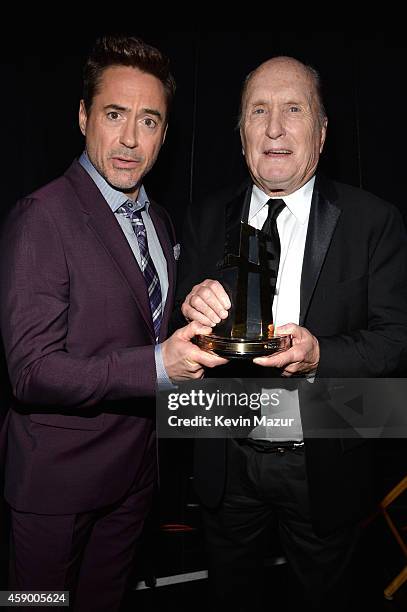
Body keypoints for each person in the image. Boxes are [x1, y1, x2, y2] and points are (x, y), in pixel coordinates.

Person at [0, 35, 225, 611]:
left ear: (165, 133)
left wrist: (187, 307)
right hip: (56, 483)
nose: (130, 139)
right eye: (114, 115)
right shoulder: (41, 216)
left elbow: (136, 319)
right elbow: (32, 372)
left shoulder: (160, 220)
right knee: (36, 604)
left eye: (148, 121)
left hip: (135, 479)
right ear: (83, 117)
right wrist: (158, 366)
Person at [176, 56, 407, 610]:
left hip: (327, 455)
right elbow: (171, 334)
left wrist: (321, 354)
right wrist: (188, 311)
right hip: (225, 458)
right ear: (241, 133)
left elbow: (396, 339)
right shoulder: (204, 219)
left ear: (322, 133)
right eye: (259, 110)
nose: (274, 127)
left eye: (293, 109)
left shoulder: (374, 220)